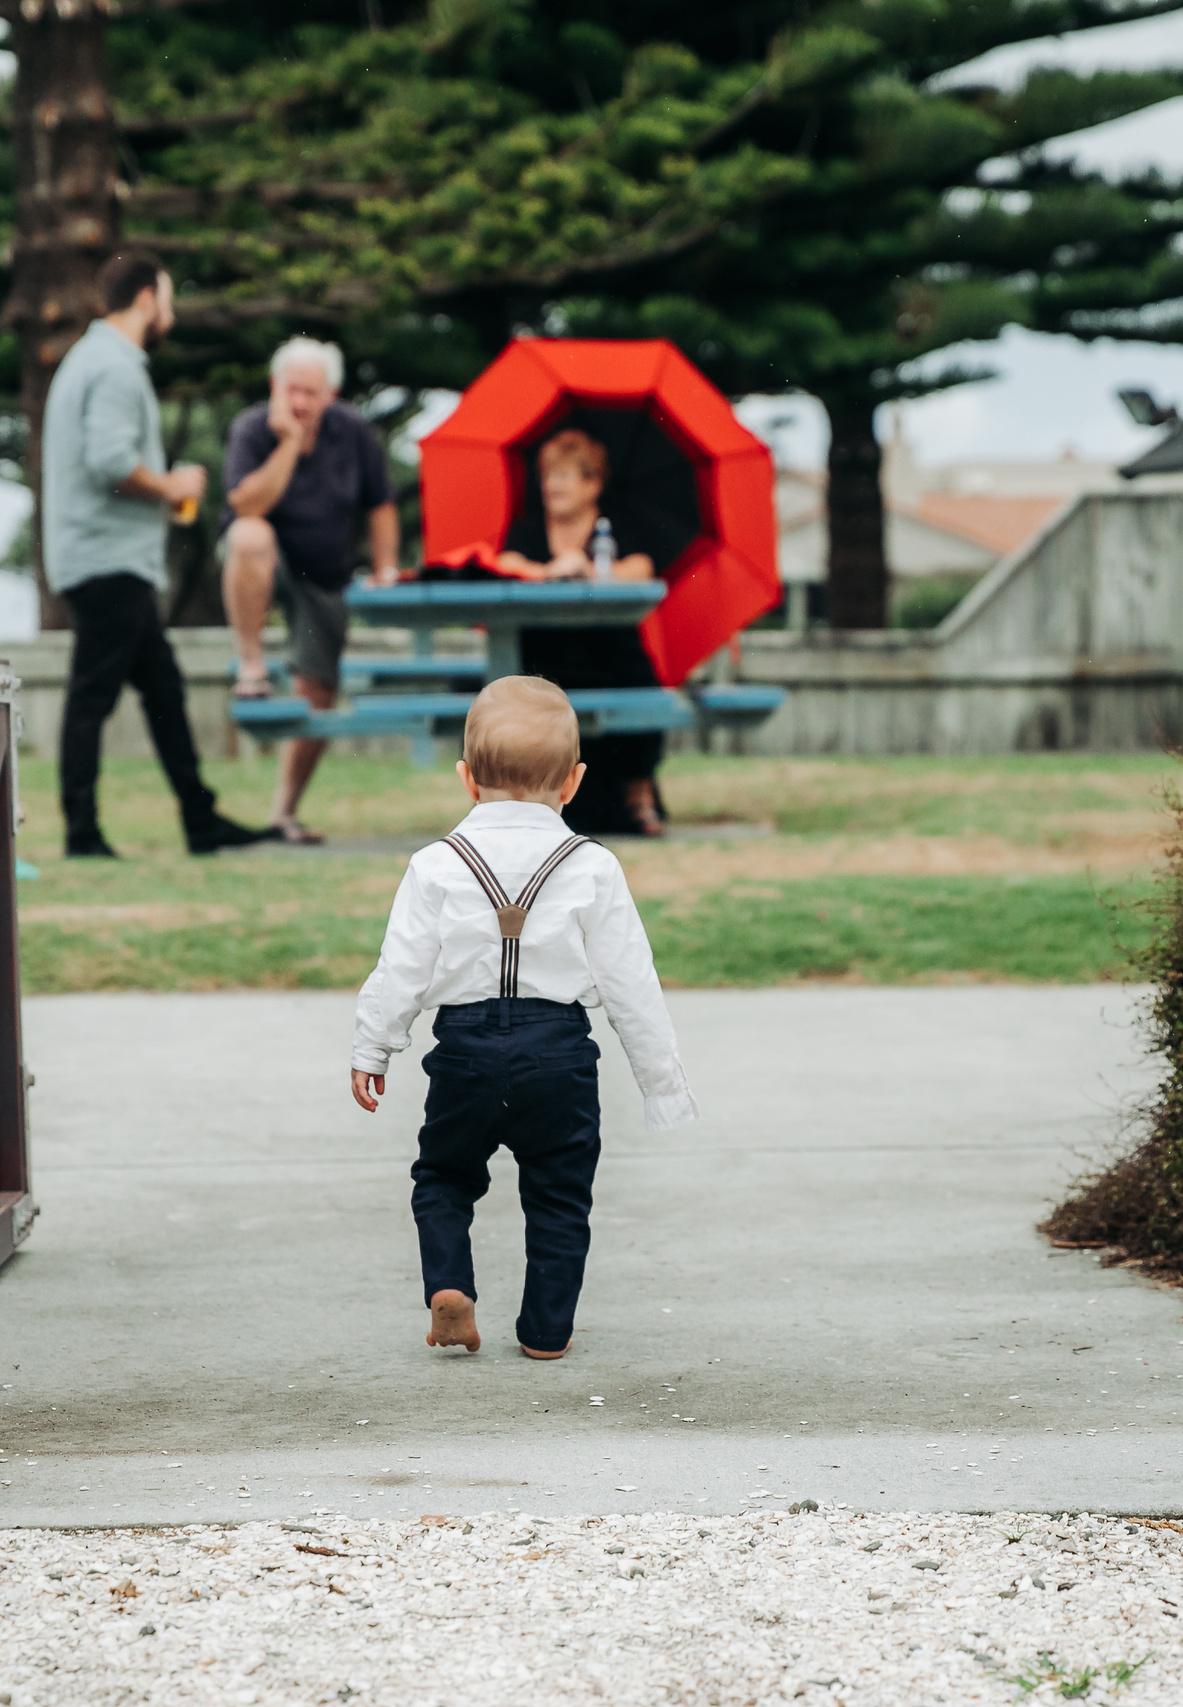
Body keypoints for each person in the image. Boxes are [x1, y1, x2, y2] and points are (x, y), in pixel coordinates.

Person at [349, 676, 697, 1359]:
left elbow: (402, 967)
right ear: (573, 782)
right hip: (558, 1052)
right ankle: (545, 1331)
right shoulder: (593, 866)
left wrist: (373, 1046)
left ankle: (450, 1283)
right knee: (560, 1194)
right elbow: (632, 982)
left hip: (465, 1050)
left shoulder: (435, 865)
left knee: (443, 1177)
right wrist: (663, 1085)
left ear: (467, 779)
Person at [41, 251, 268, 858]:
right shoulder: (115, 368)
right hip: (106, 557)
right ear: (146, 298)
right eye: (168, 299)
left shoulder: (86, 359)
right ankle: (82, 834)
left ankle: (200, 818)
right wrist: (170, 485)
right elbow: (111, 460)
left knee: (163, 689)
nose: (170, 313)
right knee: (92, 697)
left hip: (103, 555)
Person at [221, 337, 401, 844]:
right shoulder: (252, 429)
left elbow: (381, 504)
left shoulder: (354, 432)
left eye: (311, 392)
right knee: (251, 535)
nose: (300, 402)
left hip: (324, 571)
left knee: (319, 692)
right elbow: (247, 505)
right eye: (291, 390)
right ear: (275, 388)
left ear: (332, 394)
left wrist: (386, 567)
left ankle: (284, 813)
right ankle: (251, 662)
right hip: (259, 561)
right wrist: (288, 445)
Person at [496, 429, 670, 837]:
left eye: (563, 476)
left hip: (609, 653)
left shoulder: (618, 525)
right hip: (545, 655)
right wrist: (545, 571)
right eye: (547, 476)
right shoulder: (528, 528)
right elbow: (505, 563)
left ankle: (640, 796)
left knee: (641, 683)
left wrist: (588, 570)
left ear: (592, 484)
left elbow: (642, 569)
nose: (551, 486)